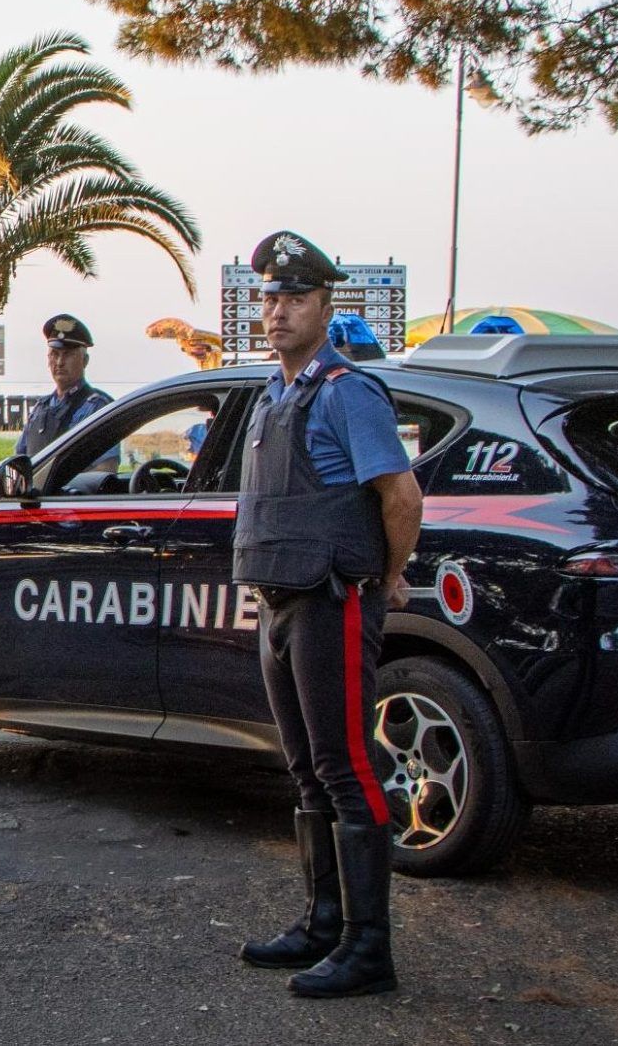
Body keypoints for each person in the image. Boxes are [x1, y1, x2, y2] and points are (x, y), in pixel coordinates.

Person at [231, 231, 424, 999]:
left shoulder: (347, 391)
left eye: (295, 298)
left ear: (325, 307)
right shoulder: (275, 394)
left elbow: (401, 497)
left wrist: (388, 575)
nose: (278, 311)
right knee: (307, 768)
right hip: (281, 603)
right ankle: (321, 924)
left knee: (348, 770)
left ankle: (367, 949)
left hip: (331, 600)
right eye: (270, 298)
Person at [15, 314, 115, 462]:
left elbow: (105, 469)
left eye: (68, 355)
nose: (60, 362)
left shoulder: (97, 408)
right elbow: (19, 460)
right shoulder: (40, 408)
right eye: (54, 355)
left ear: (85, 361)